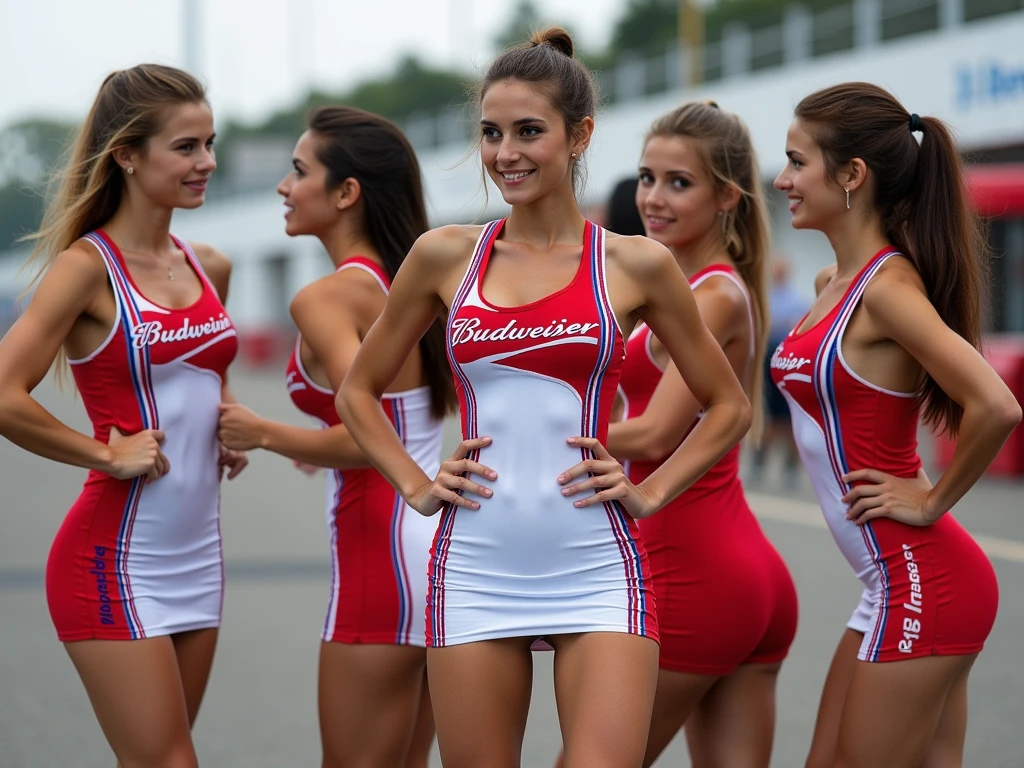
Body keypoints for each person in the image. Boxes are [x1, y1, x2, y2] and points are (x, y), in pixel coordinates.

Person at [336, 27, 752, 768]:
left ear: (579, 135)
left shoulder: (635, 264)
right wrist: (418, 484)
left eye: (529, 131)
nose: (506, 153)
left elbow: (729, 406)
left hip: (597, 565)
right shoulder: (445, 255)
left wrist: (651, 492)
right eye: (491, 133)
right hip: (474, 565)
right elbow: (358, 392)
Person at [0, 64, 245, 767]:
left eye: (209, 143)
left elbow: (205, 376)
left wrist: (226, 419)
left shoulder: (210, 265)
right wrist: (105, 454)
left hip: (199, 556)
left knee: (158, 757)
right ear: (127, 156)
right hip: (111, 558)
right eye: (186, 147)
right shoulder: (86, 269)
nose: (207, 162)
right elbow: (5, 393)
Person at [771, 82, 1021, 768]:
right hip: (890, 585)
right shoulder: (832, 283)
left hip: (922, 581)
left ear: (852, 175)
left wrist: (933, 498)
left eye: (797, 162)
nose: (782, 179)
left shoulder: (886, 290)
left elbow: (997, 404)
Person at [216, 106, 453, 768]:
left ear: (347, 192)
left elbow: (371, 437)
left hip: (379, 550)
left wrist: (265, 432)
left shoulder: (325, 299)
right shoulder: (412, 284)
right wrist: (313, 443)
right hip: (434, 550)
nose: (283, 187)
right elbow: (397, 421)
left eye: (298, 171)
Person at [609, 101, 798, 766]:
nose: (653, 198)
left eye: (678, 182)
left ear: (726, 198)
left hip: (693, 569)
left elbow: (653, 433)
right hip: (729, 567)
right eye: (647, 177)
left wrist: (543, 431)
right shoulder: (677, 285)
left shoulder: (713, 296)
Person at [750, 255, 806, 486]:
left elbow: (798, 327)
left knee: (789, 415)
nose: (778, 273)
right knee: (765, 412)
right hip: (764, 357)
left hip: (786, 357)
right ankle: (759, 461)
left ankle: (791, 467)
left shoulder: (797, 300)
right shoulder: (763, 296)